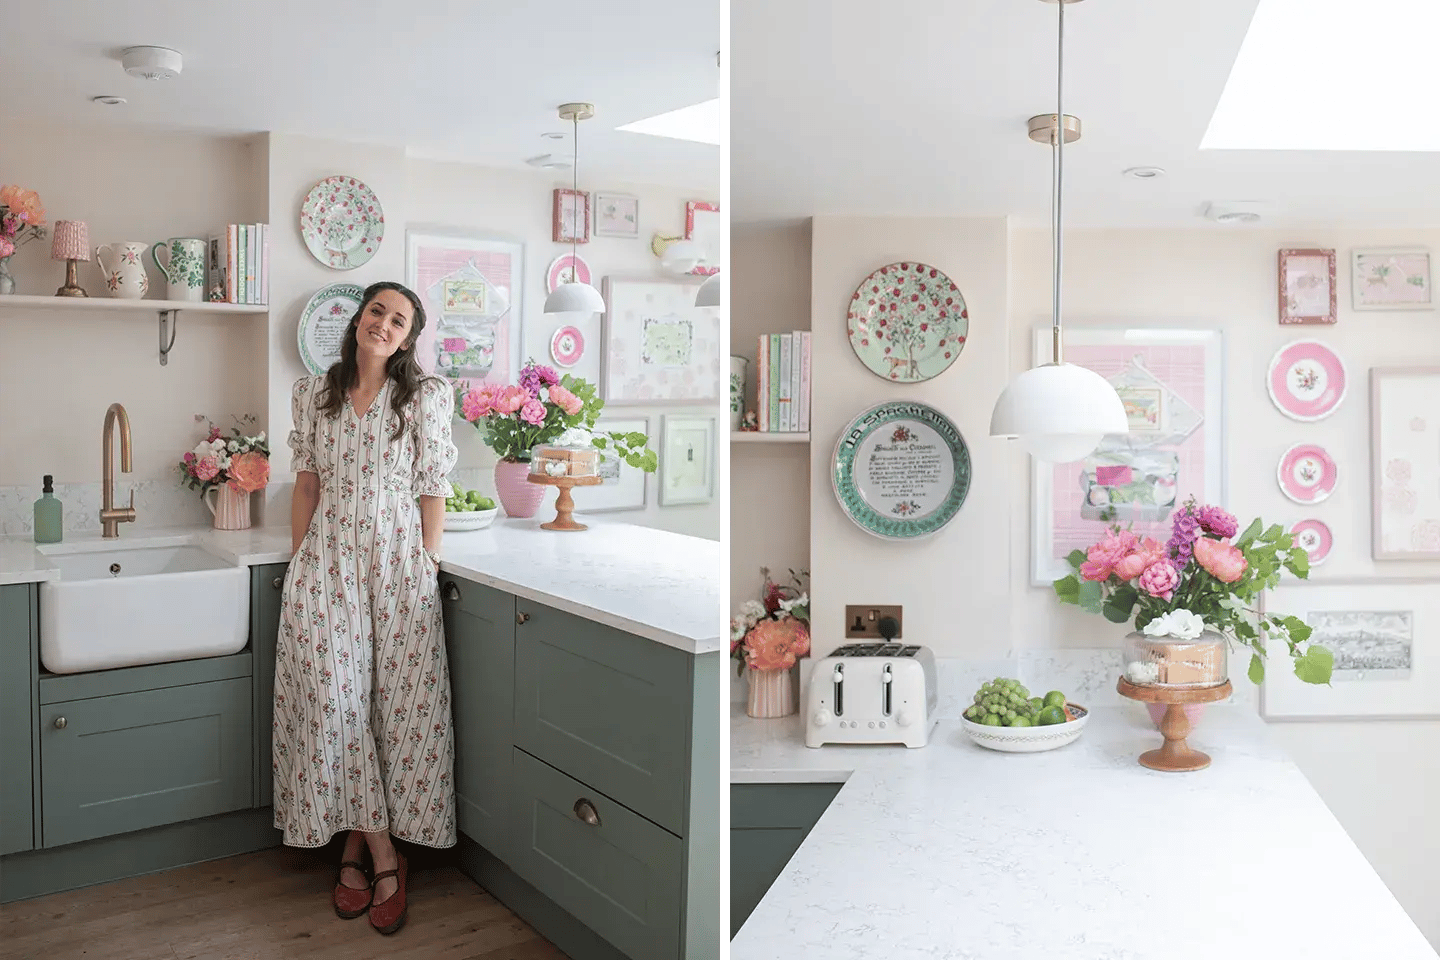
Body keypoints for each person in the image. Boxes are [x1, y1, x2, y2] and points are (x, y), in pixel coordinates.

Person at [272, 280, 458, 935]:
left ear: (409, 337)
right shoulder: (312, 394)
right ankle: (385, 856)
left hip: (400, 564)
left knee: (394, 707)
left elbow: (434, 487)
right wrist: (300, 564)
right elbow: (306, 485)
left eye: (399, 319)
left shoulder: (427, 397)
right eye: (377, 310)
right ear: (358, 320)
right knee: (335, 699)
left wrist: (427, 565)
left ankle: (354, 846)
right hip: (328, 564)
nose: (384, 323)